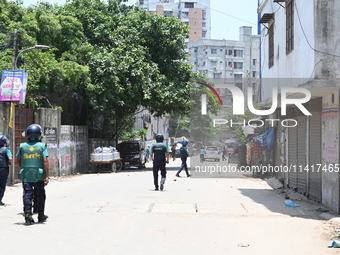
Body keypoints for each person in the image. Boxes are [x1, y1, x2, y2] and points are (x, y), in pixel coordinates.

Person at [17, 124, 49, 225]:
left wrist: (24, 168)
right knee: (39, 194)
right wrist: (47, 175)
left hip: (26, 175)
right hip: (38, 175)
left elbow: (18, 160)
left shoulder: (22, 146)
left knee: (27, 194)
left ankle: (27, 215)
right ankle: (40, 215)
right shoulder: (42, 146)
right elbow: (45, 161)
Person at [0, 135, 13, 206]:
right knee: (2, 185)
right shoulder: (6, 149)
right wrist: (9, 163)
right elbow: (10, 158)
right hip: (3, 169)